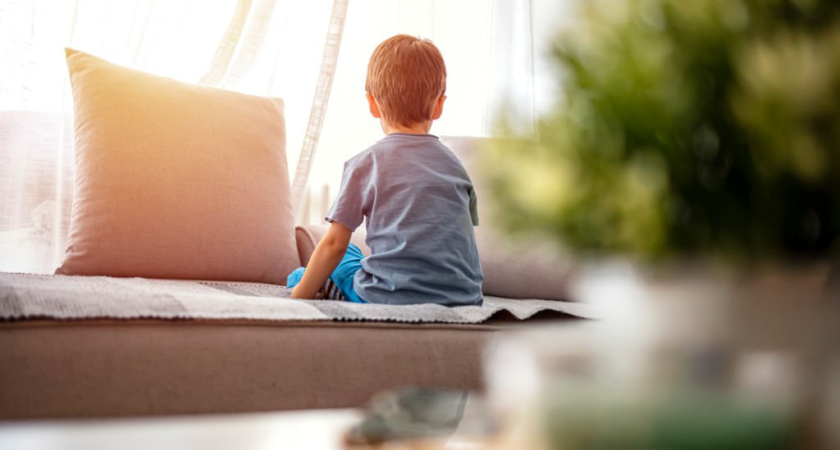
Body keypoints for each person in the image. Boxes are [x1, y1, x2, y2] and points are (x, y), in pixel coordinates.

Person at [288, 34, 483, 306]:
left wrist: (297, 301)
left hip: (388, 299)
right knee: (359, 255)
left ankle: (315, 287)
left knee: (322, 266)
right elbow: (461, 238)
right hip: (463, 300)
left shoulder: (366, 164)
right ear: (439, 105)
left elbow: (334, 244)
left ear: (372, 103)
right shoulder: (456, 166)